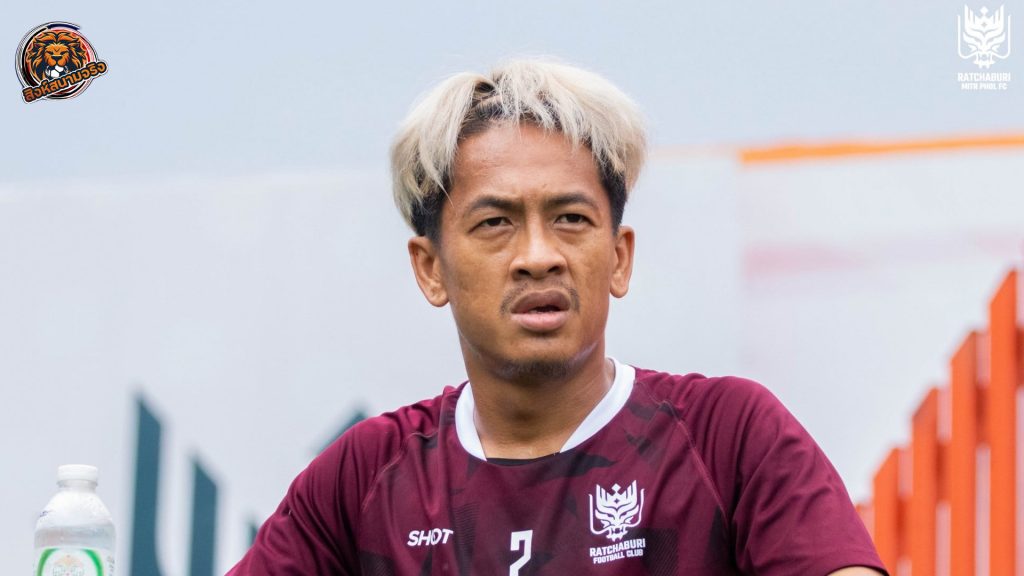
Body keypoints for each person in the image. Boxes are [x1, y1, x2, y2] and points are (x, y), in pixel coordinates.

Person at [228, 59, 887, 575]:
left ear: (619, 258)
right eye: (495, 223)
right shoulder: (364, 478)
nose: (538, 256)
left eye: (570, 218)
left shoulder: (729, 437)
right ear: (430, 269)